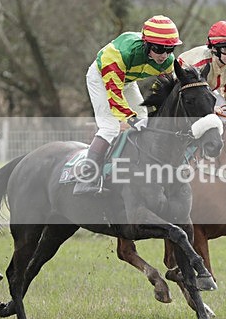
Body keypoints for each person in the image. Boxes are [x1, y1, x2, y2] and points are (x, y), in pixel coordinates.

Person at [74, 15, 182, 195]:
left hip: (127, 80)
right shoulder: (120, 54)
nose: (164, 55)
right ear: (147, 44)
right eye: (158, 48)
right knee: (110, 127)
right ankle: (87, 177)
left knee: (145, 121)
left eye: (169, 49)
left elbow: (164, 90)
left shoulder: (168, 61)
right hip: (102, 78)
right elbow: (114, 94)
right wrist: (129, 119)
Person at [177, 20, 226, 113]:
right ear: (214, 48)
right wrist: (210, 108)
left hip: (207, 91)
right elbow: (192, 95)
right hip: (183, 88)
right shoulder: (200, 64)